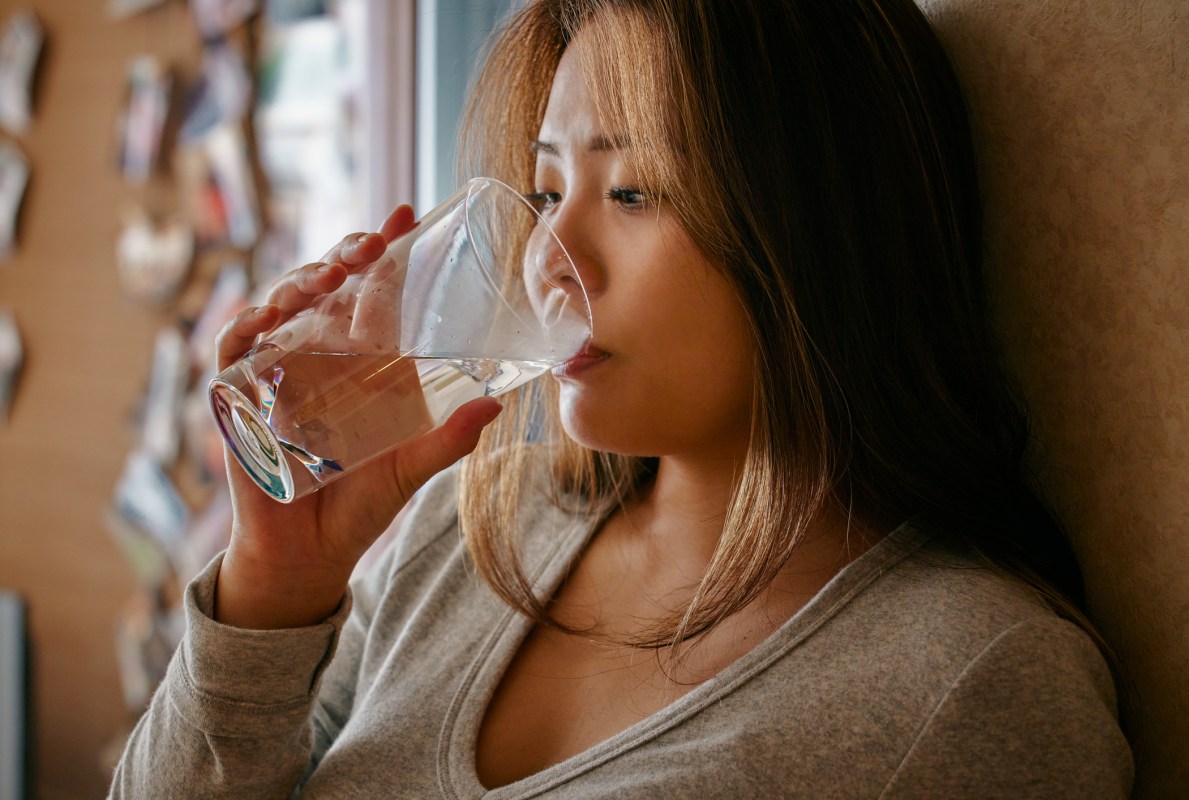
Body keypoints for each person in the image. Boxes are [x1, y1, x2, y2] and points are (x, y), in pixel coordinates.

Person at [110, 0, 1134, 797]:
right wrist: (270, 587)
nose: (550, 261)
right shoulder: (472, 529)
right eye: (549, 192)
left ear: (818, 229)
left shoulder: (978, 682)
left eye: (635, 193)